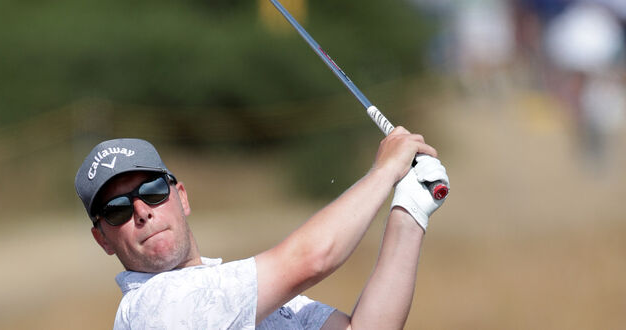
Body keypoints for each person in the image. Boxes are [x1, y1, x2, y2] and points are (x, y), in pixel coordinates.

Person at [74, 129, 449, 329]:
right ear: (102, 239)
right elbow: (310, 259)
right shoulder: (152, 309)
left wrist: (410, 210)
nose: (141, 211)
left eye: (152, 191)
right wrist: (385, 171)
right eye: (117, 210)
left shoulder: (247, 296)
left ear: (181, 197)